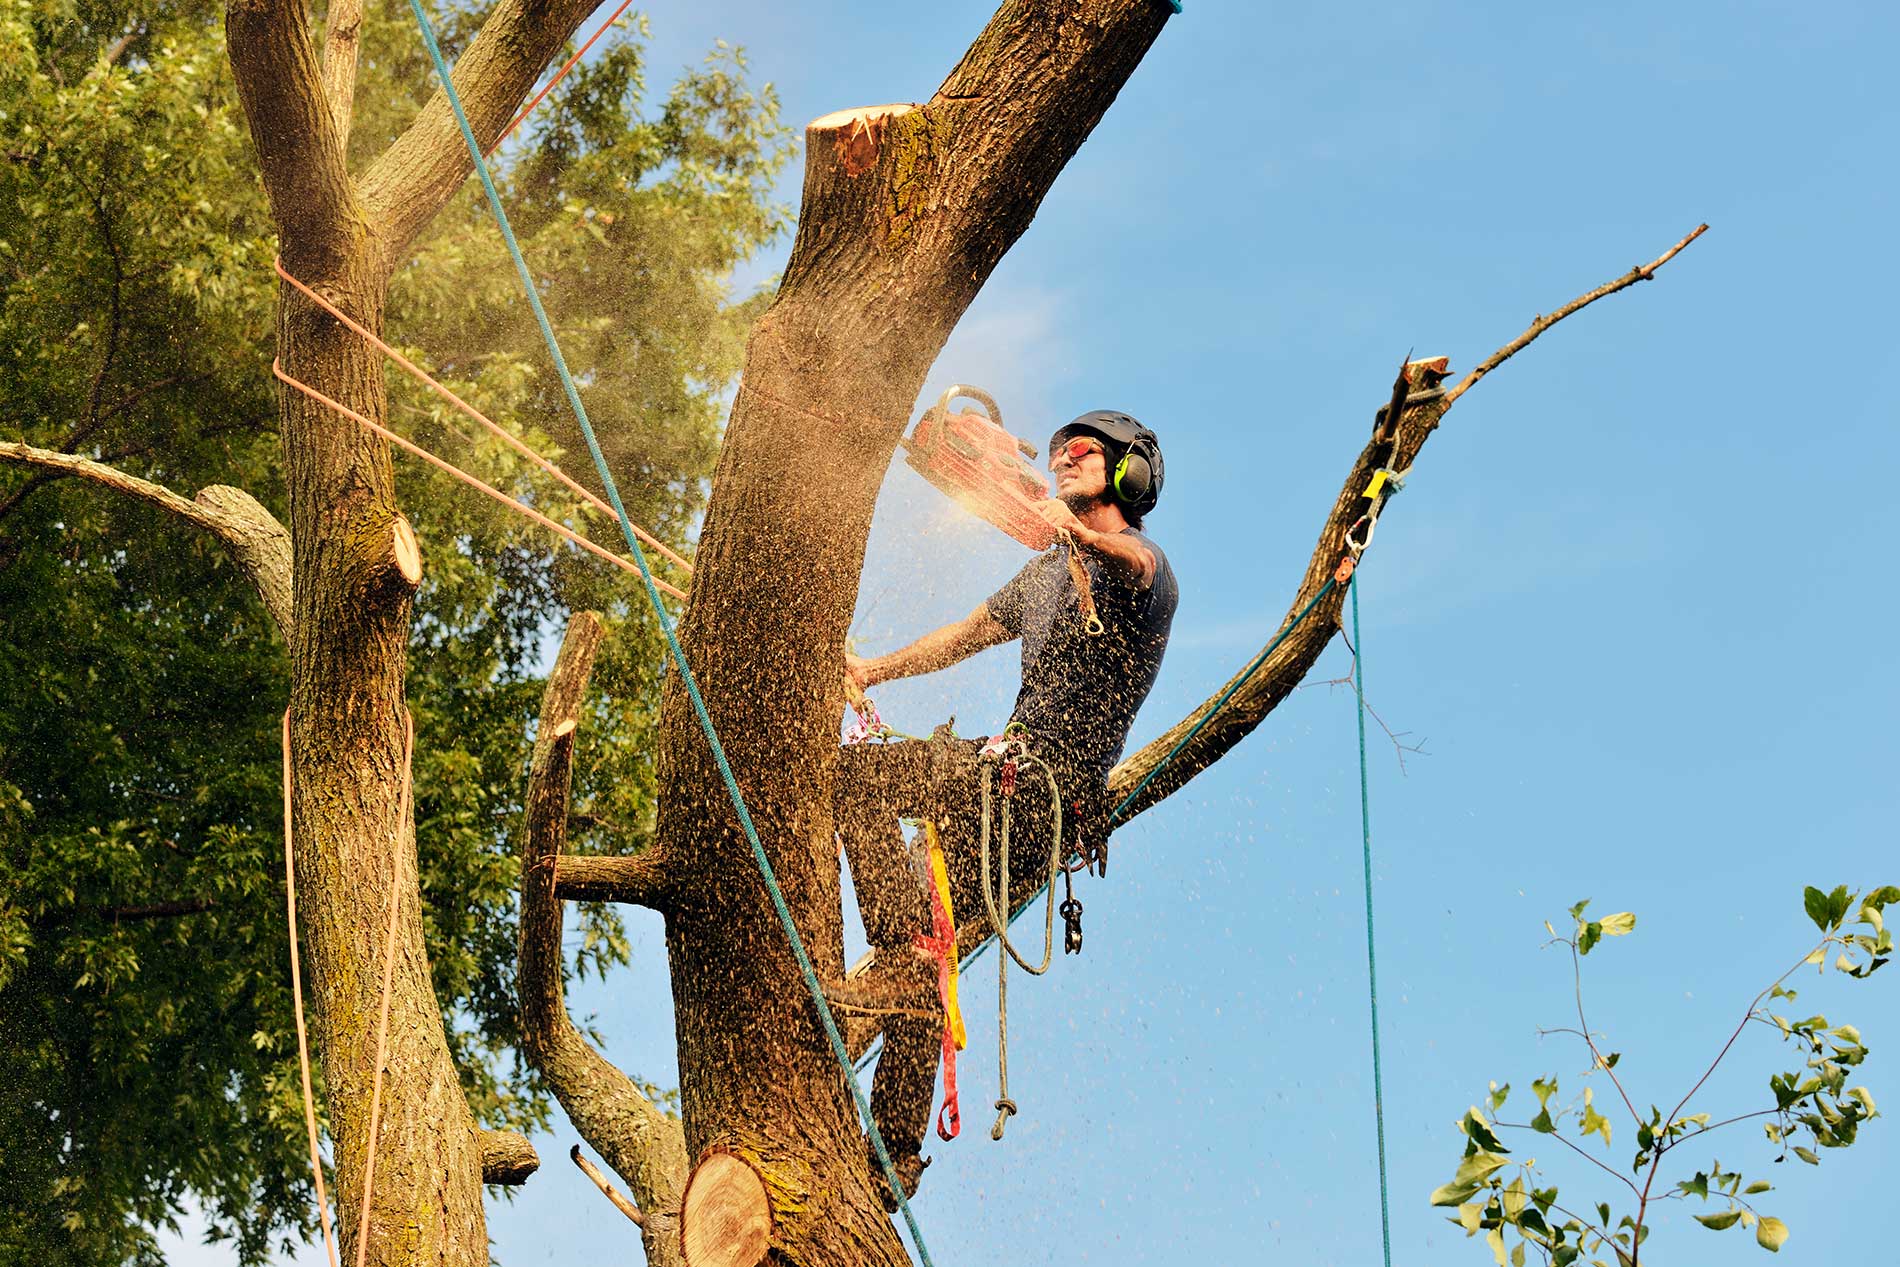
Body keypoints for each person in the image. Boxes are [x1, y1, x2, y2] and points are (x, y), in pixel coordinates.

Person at [829, 409, 1179, 1207]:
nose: (1063, 458)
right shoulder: (1044, 573)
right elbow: (961, 636)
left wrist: (1080, 533)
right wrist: (871, 670)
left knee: (856, 780)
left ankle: (896, 944)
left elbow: (1136, 561)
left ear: (1130, 473)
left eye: (1083, 452)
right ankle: (893, 1154)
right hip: (992, 788)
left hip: (1038, 801)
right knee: (923, 949)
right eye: (1056, 452)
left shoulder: (1141, 570)